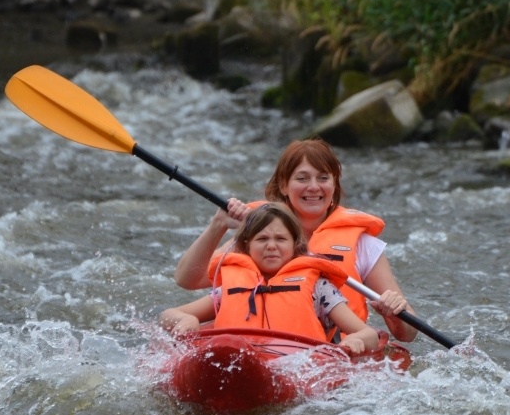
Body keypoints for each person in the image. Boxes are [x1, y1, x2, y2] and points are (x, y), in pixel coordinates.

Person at [174, 138, 419, 342]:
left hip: (331, 352)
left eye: (323, 178)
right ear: (283, 185)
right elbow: (187, 279)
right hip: (253, 344)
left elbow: (407, 333)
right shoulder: (259, 233)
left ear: (334, 184)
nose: (313, 187)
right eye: (302, 179)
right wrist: (218, 226)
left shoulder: (362, 244)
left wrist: (392, 312)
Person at [160, 203, 381, 354]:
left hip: (297, 370)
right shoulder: (231, 288)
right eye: (262, 239)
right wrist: (185, 320)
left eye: (280, 239)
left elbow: (368, 333)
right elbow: (167, 315)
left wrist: (356, 340)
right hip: (241, 364)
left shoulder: (319, 288)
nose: (271, 246)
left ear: (295, 246)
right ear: (247, 246)